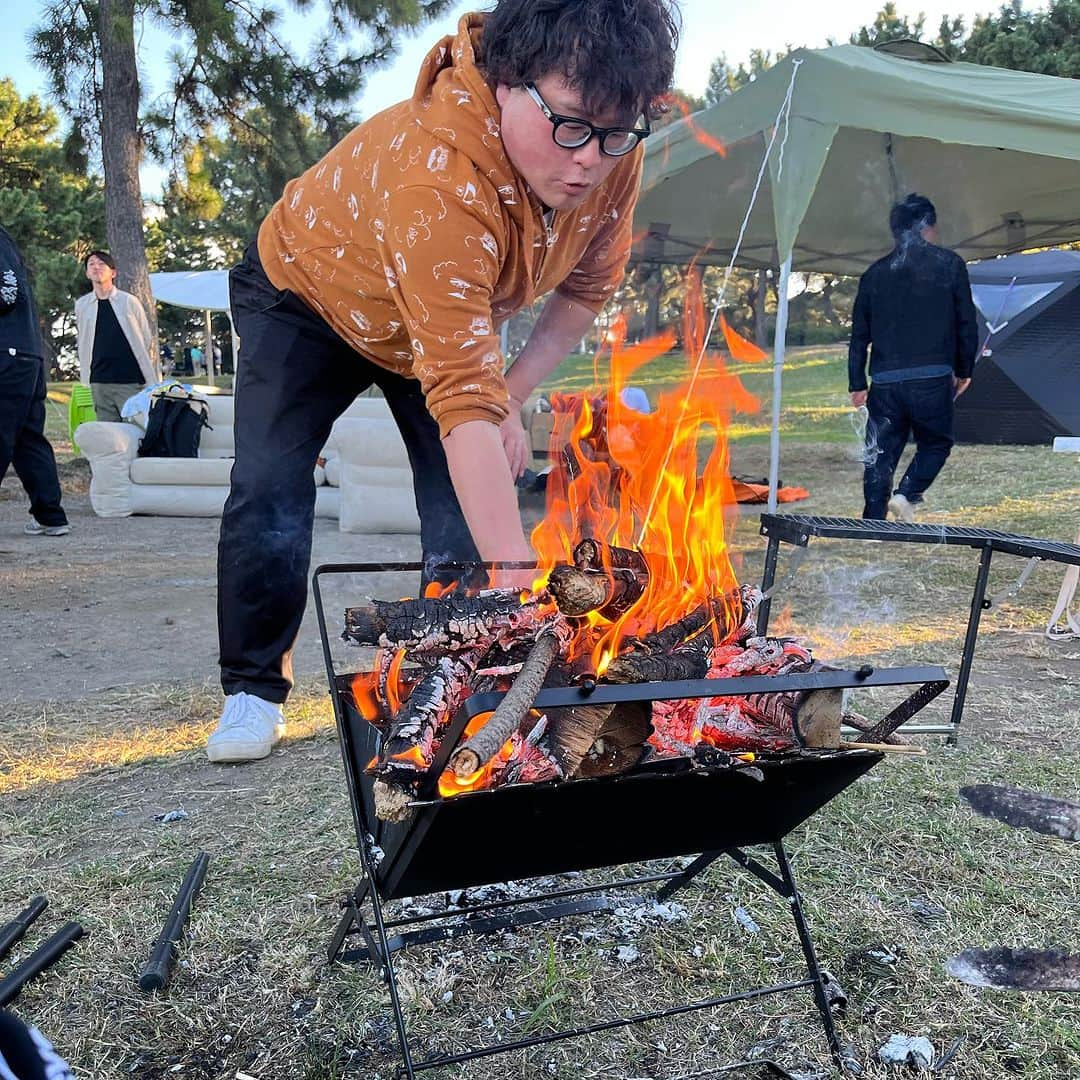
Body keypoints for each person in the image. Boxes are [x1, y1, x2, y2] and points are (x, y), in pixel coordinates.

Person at [206, 0, 679, 762]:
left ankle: (457, 672)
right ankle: (252, 691)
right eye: (571, 125)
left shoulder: (611, 156)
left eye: (615, 131)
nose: (590, 158)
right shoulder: (439, 174)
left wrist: (514, 397)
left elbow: (586, 291)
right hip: (305, 294)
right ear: (507, 83)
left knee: (460, 509)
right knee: (269, 487)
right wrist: (528, 587)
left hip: (433, 318)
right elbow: (462, 399)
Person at [848, 193, 978, 522]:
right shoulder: (950, 264)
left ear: (896, 232)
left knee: (880, 453)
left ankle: (872, 521)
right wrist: (965, 369)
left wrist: (856, 381)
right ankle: (906, 494)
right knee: (935, 443)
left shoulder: (874, 274)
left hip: (886, 382)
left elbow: (860, 335)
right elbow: (966, 321)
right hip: (932, 377)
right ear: (928, 228)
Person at [0, 225, 71, 537]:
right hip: (26, 353)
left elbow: (7, 291)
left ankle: (50, 514)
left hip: (7, 352)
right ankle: (50, 516)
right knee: (28, 440)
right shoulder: (7, 243)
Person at [75, 250, 158, 422]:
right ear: (87, 273)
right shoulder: (82, 305)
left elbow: (145, 337)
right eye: (91, 264)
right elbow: (84, 341)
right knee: (109, 436)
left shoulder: (129, 301)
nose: (96, 267)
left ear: (113, 272)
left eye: (101, 264)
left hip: (130, 381)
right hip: (99, 382)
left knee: (137, 430)